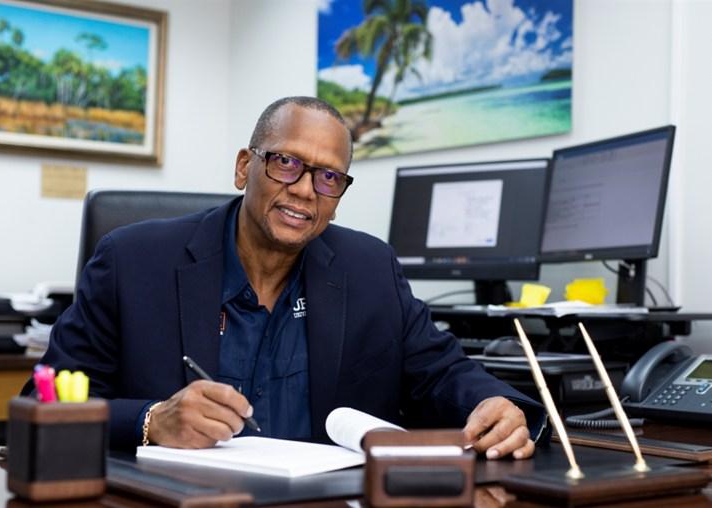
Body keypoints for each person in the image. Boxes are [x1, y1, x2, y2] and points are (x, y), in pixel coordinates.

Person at [28, 96, 546, 458]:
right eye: (286, 163)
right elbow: (41, 405)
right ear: (243, 168)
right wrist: (151, 421)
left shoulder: (370, 269)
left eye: (328, 177)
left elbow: (442, 372)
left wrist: (497, 406)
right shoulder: (133, 262)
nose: (304, 190)